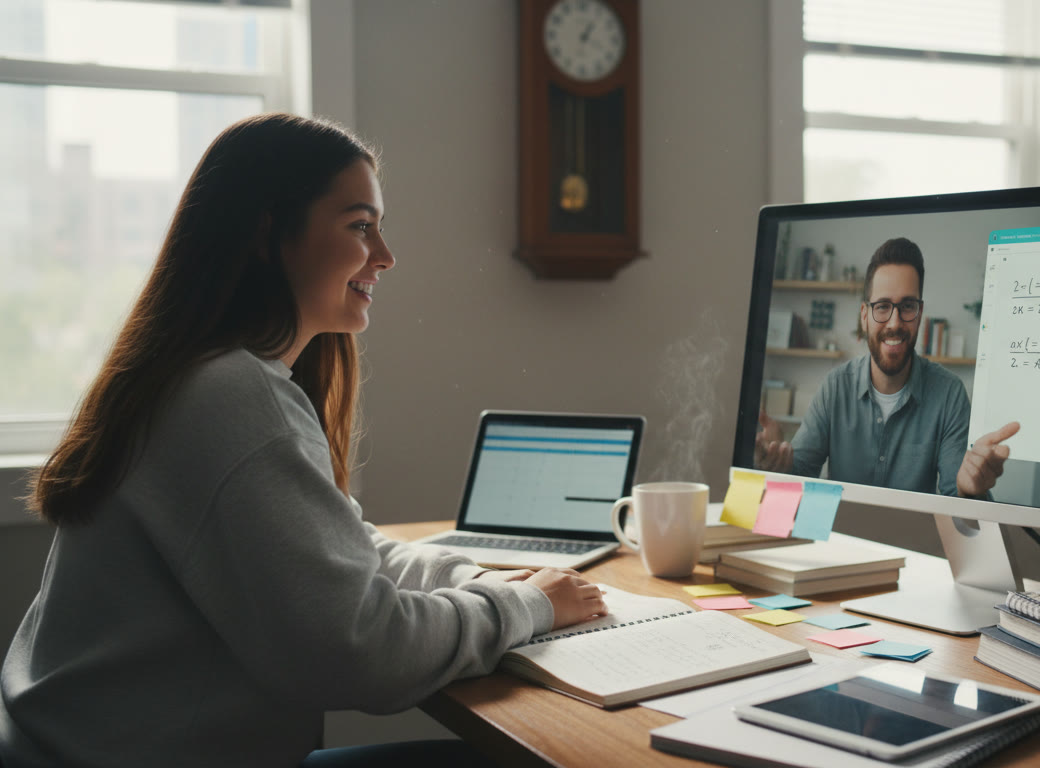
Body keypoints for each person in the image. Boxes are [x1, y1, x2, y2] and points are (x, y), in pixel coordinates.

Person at [0, 114, 607, 768]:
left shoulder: (205, 376)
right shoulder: (231, 396)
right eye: (360, 226)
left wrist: (483, 578)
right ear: (267, 233)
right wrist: (526, 605)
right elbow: (361, 653)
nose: (386, 255)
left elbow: (338, 549)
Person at [755, 237, 1017, 498]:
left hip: (910, 540)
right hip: (842, 536)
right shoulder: (835, 386)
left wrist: (969, 490)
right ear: (864, 315)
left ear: (920, 312)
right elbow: (801, 472)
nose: (894, 322)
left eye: (907, 307)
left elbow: (957, 499)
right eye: (882, 307)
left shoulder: (949, 394)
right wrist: (779, 463)